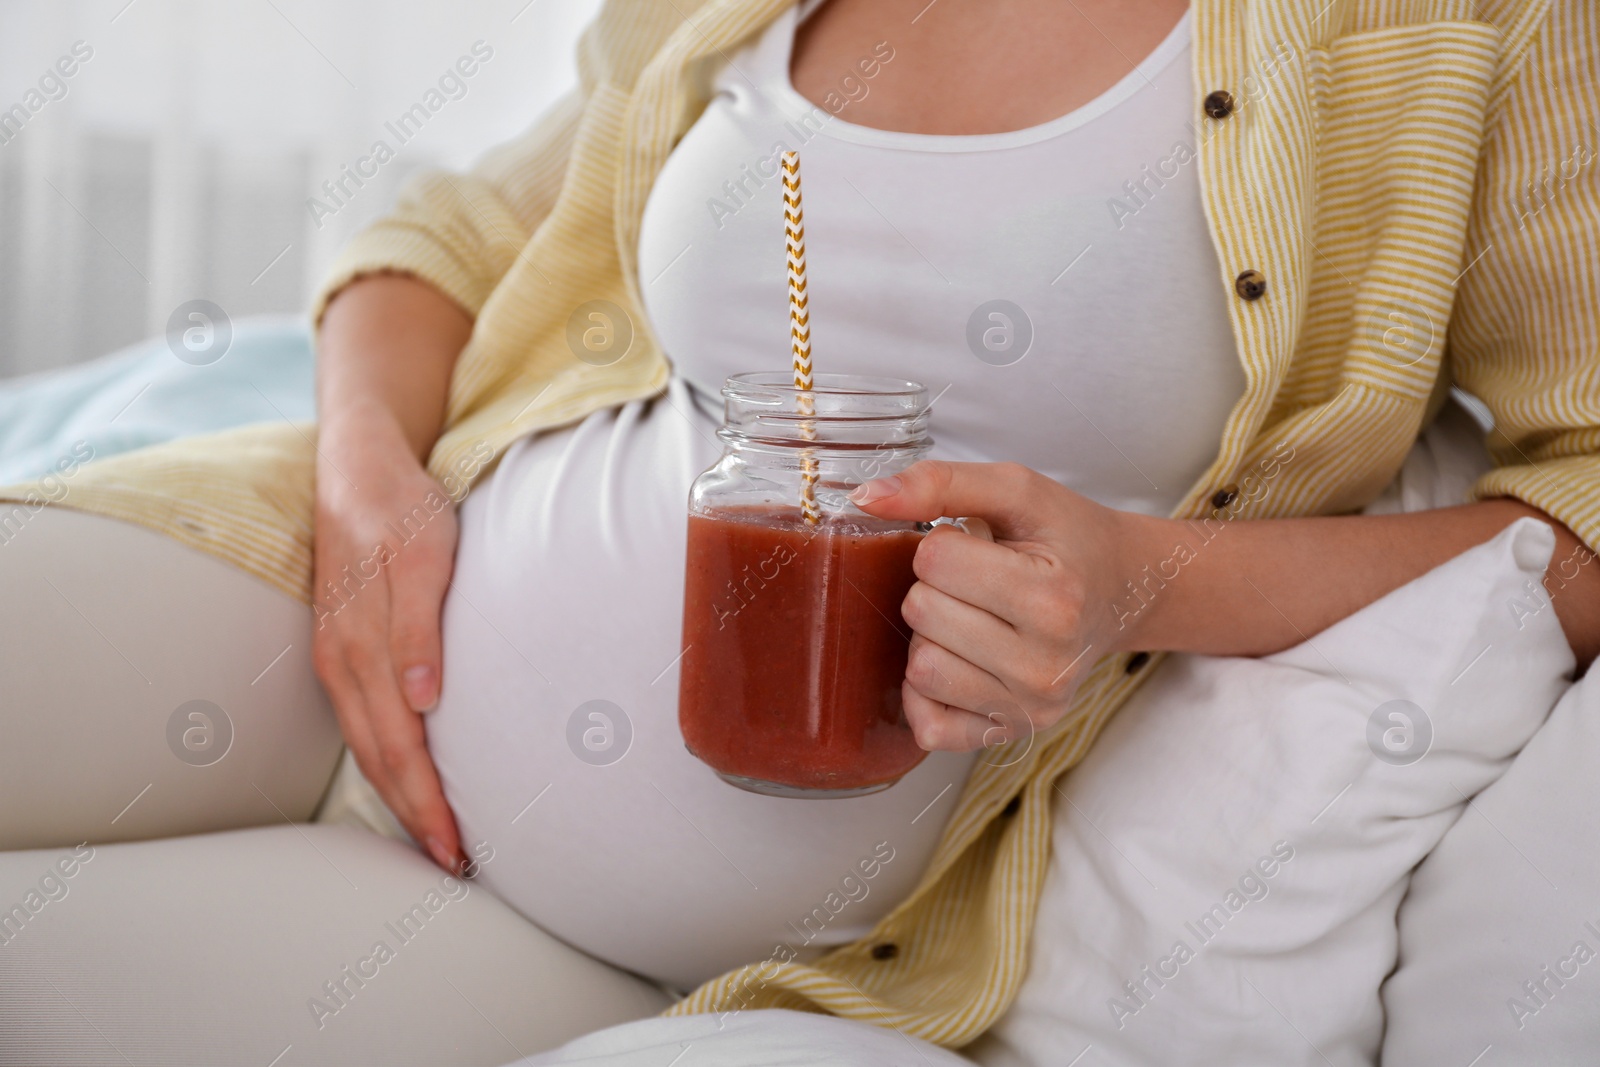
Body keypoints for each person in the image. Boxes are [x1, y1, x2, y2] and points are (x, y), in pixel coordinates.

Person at [3, 0, 1597, 1049]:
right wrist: (367, 482)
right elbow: (454, 227)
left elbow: (1581, 494)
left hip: (615, 939)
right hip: (324, 615)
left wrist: (1138, 589)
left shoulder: (1459, 31)